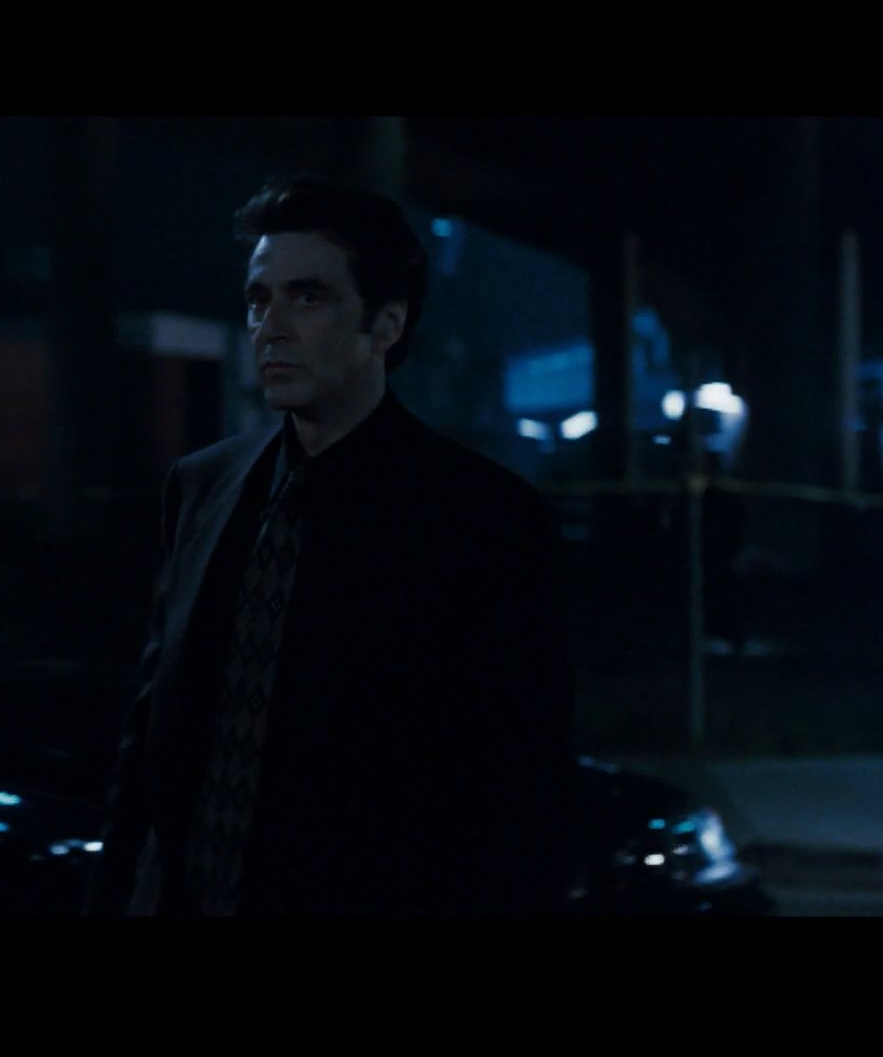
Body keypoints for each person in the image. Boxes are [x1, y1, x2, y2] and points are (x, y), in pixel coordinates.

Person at [84, 176, 577, 918]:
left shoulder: (484, 522)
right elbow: (151, 735)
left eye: (308, 298)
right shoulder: (203, 486)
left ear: (385, 325)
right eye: (259, 300)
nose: (271, 327)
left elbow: (519, 796)